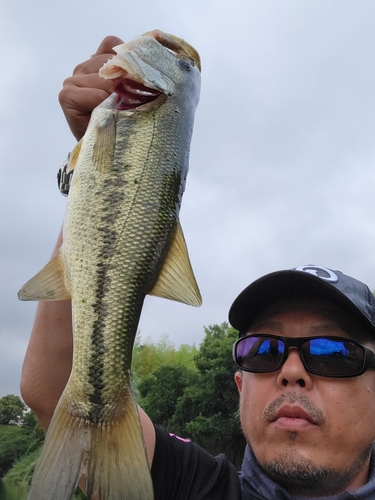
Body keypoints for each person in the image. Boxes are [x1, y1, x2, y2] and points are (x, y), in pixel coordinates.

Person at [20, 36, 375, 500]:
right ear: (239, 384)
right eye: (263, 349)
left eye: (333, 352)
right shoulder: (195, 486)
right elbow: (54, 389)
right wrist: (95, 168)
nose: (291, 371)